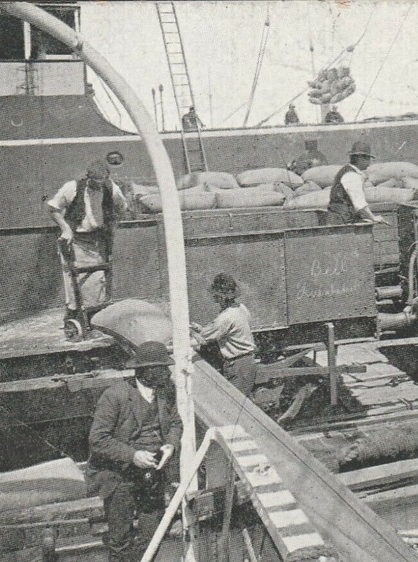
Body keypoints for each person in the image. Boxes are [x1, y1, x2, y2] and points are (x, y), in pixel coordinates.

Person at [87, 341, 182, 562]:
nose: (167, 372)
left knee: (153, 536)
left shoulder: (166, 391)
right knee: (120, 541)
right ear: (145, 371)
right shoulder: (115, 396)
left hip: (151, 475)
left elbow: (176, 422)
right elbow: (97, 440)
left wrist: (170, 445)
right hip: (119, 476)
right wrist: (133, 455)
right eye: (161, 368)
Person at [47, 160, 129, 330]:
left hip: (98, 240)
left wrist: (112, 226)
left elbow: (121, 208)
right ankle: (73, 316)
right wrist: (65, 230)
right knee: (74, 279)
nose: (99, 187)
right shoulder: (73, 188)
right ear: (88, 177)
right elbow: (53, 208)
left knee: (99, 278)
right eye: (95, 183)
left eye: (102, 183)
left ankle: (96, 317)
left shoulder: (111, 188)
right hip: (76, 239)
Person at [190, 273, 257, 398]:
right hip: (247, 362)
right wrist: (201, 329)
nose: (214, 298)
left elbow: (203, 340)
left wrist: (188, 336)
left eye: (216, 295)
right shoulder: (241, 308)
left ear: (222, 297)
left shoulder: (226, 317)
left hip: (238, 365)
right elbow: (225, 331)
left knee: (235, 405)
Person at [324, 140, 389, 225]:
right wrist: (374, 218)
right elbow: (359, 204)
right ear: (360, 158)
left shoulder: (347, 171)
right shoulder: (352, 175)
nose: (369, 162)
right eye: (368, 158)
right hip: (342, 221)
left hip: (340, 217)